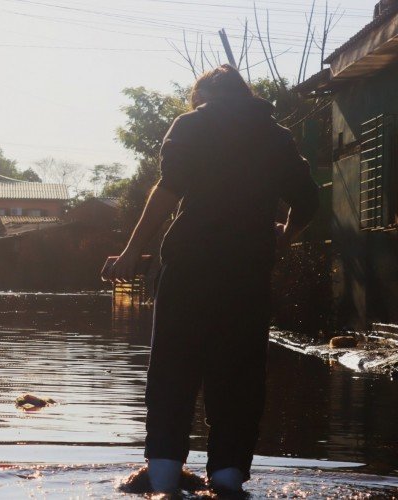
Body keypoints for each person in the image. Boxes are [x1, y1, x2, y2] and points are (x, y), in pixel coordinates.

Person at [104, 65, 319, 494]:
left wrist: (131, 250)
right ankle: (226, 476)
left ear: (203, 95)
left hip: (189, 268)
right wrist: (285, 233)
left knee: (173, 371)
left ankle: (164, 475)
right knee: (239, 376)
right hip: (247, 274)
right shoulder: (276, 137)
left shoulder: (191, 125)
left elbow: (168, 190)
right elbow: (308, 199)